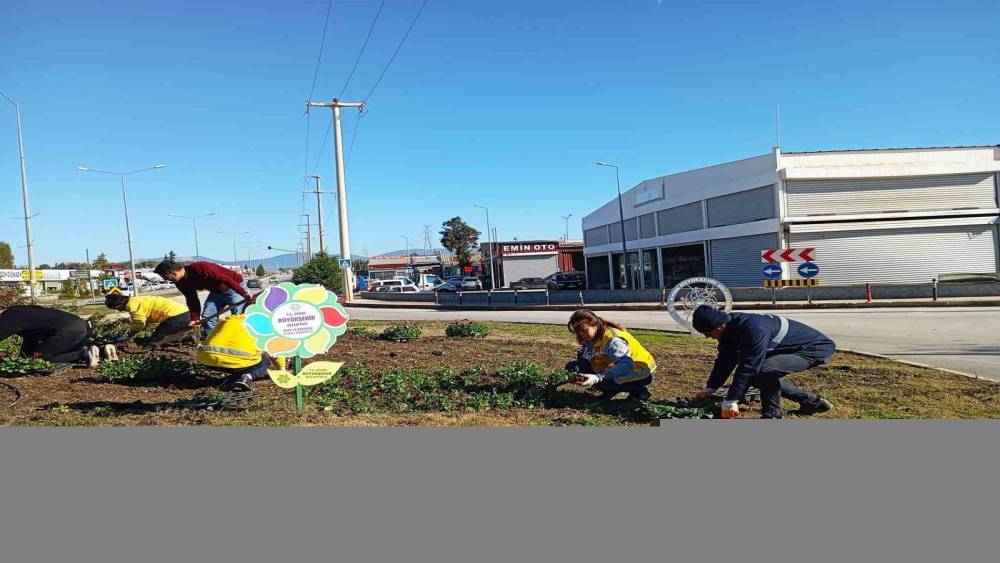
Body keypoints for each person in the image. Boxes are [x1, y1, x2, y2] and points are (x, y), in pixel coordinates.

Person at [691, 305, 835, 419]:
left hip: (813, 349)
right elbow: (725, 361)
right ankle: (813, 403)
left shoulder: (753, 329)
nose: (707, 337)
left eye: (708, 333)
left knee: (762, 370)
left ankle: (772, 415)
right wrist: (710, 388)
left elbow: (748, 366)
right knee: (757, 374)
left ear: (719, 326)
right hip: (792, 347)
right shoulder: (728, 330)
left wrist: (731, 400)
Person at [565, 309, 657, 401]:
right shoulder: (594, 336)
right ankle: (611, 388)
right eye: (578, 332)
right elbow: (586, 357)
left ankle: (639, 391)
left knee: (600, 383)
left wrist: (597, 378)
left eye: (585, 330)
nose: (582, 334)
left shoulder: (613, 341)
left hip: (639, 371)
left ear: (594, 324)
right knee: (574, 367)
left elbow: (627, 365)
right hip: (621, 365)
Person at [153, 260, 253, 335]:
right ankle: (213, 341)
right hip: (216, 292)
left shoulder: (201, 268)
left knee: (238, 316)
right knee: (208, 317)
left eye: (166, 277)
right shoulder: (180, 283)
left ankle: (245, 340)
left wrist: (243, 293)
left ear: (173, 273)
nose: (167, 280)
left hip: (233, 287)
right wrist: (195, 318)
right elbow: (192, 300)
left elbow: (226, 279)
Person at [0, 305, 100, 367]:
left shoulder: (8, 318)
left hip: (69, 331)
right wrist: (23, 358)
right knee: (37, 356)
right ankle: (94, 354)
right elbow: (30, 336)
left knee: (39, 359)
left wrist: (28, 359)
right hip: (81, 326)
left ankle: (84, 354)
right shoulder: (18, 311)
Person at [196, 313, 271, 391]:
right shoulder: (264, 323)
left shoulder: (228, 320)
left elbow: (210, 338)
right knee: (264, 361)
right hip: (237, 362)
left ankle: (231, 379)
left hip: (207, 359)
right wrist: (281, 368)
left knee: (239, 361)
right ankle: (246, 377)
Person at [104, 290, 191, 345]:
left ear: (118, 305)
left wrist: (129, 334)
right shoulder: (135, 300)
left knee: (155, 338)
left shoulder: (131, 305)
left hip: (176, 316)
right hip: (183, 313)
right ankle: (186, 337)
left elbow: (139, 322)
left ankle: (147, 350)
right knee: (162, 334)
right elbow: (145, 319)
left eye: (116, 308)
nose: (119, 311)